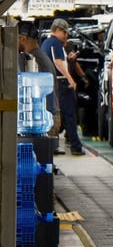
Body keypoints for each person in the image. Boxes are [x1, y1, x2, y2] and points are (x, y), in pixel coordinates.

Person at [41, 18, 86, 155]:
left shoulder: (46, 43)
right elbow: (58, 62)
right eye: (65, 33)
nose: (66, 36)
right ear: (58, 30)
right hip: (61, 83)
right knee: (70, 115)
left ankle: (53, 144)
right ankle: (76, 147)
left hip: (51, 83)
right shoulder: (55, 43)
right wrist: (70, 79)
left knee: (54, 114)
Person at [16, 20, 61, 136]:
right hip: (47, 117)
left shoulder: (32, 59)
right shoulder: (38, 56)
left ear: (23, 39)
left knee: (39, 153)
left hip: (44, 119)